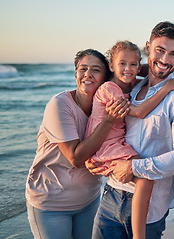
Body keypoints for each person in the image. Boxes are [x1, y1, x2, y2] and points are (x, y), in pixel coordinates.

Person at [86, 21, 174, 239]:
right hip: (111, 194)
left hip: (149, 206)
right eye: (160, 50)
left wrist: (135, 167)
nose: (165, 60)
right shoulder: (132, 87)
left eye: (173, 54)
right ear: (148, 47)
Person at [25, 49, 130, 239]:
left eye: (96, 70)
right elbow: (76, 157)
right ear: (75, 74)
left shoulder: (107, 104)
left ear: (106, 77)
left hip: (89, 200)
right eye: (83, 69)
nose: (88, 74)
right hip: (50, 204)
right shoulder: (60, 105)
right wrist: (108, 121)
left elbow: (131, 71)